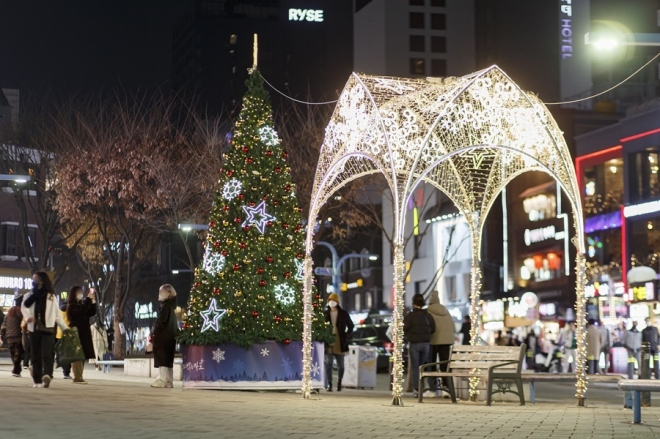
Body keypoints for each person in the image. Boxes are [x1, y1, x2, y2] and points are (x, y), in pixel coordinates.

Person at [22, 271, 68, 388]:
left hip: (48, 328)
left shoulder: (51, 296)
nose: (33, 281)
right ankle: (37, 380)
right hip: (34, 328)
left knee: (47, 354)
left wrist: (64, 328)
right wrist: (28, 318)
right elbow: (24, 307)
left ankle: (47, 375)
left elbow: (57, 314)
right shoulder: (29, 295)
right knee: (35, 355)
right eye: (33, 279)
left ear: (42, 280)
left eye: (35, 278)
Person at [403, 293, 435, 399]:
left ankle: (416, 390)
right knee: (422, 367)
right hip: (426, 343)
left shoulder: (410, 316)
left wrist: (409, 336)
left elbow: (404, 328)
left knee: (415, 368)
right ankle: (423, 387)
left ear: (413, 303)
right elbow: (433, 328)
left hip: (414, 344)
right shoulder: (427, 315)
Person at [426, 290, 454, 398]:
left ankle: (432, 389)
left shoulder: (428, 312)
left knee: (431, 365)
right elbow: (453, 327)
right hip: (446, 342)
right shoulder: (446, 312)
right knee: (444, 365)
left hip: (433, 341)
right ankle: (446, 389)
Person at [66, 286, 97, 384]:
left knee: (82, 355)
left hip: (83, 333)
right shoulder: (71, 306)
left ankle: (79, 376)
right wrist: (88, 300)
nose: (81, 294)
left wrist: (93, 302)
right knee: (77, 356)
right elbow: (81, 312)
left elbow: (90, 312)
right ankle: (77, 377)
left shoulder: (81, 304)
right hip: (76, 332)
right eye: (78, 292)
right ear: (73, 294)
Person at [323, 293, 353, 392]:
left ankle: (339, 382)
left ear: (337, 302)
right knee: (328, 363)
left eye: (334, 300)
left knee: (341, 365)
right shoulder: (325, 314)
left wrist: (347, 335)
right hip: (329, 342)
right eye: (330, 300)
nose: (332, 302)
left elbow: (351, 325)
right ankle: (330, 384)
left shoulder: (343, 314)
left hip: (340, 342)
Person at [151, 284, 178, 388]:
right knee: (168, 359)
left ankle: (161, 379)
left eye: (161, 291)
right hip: (170, 336)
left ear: (168, 293)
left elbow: (161, 321)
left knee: (162, 357)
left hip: (163, 336)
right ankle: (168, 380)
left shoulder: (165, 306)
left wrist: (154, 332)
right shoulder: (171, 306)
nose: (160, 294)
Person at [0, 295, 25, 377]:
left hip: (9, 336)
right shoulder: (20, 311)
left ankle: (16, 369)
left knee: (13, 353)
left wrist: (2, 334)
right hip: (17, 335)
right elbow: (23, 322)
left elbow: (4, 324)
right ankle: (16, 370)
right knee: (18, 353)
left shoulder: (9, 312)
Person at [58, 300, 72, 379]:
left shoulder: (60, 311)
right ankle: (66, 372)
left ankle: (65, 370)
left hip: (59, 334)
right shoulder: (69, 311)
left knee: (62, 354)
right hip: (68, 333)